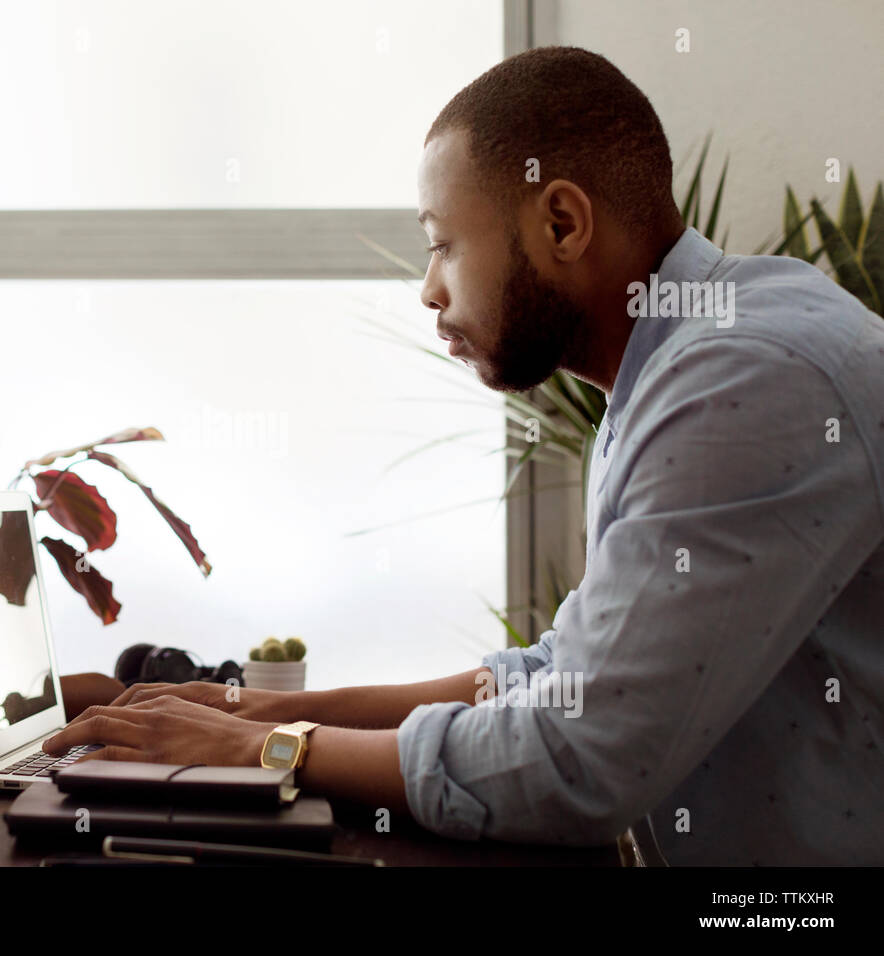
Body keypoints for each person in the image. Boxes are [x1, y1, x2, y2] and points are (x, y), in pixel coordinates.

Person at [43, 46, 884, 866]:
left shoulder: (742, 380)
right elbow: (556, 677)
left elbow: (570, 761)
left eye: (443, 243)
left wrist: (264, 745)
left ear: (562, 222)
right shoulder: (686, 364)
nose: (429, 288)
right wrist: (246, 707)